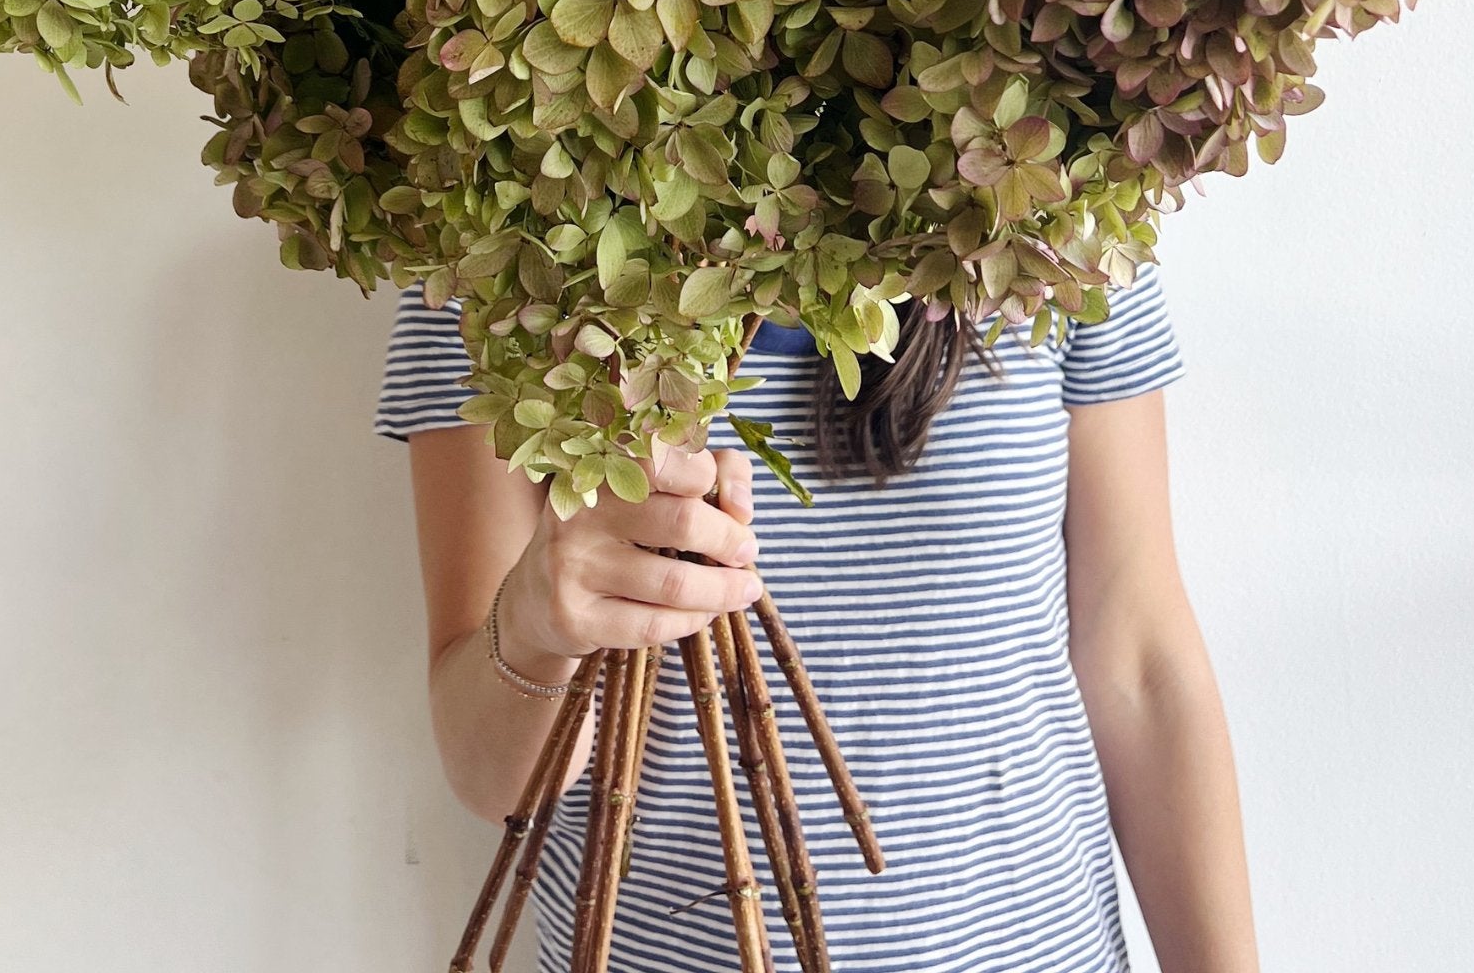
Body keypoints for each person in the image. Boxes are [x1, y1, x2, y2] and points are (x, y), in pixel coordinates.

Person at [377, 262, 1260, 972]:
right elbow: (489, 781)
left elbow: (1139, 657)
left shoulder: (1056, 208)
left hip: (1038, 947)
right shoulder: (509, 265)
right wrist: (538, 622)